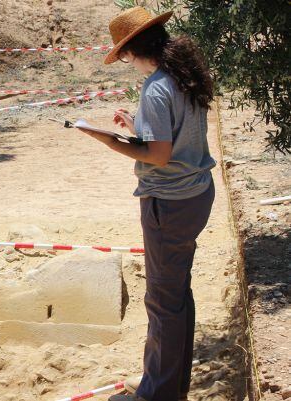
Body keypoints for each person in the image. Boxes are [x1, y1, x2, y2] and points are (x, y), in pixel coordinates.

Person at [78, 6, 217, 401]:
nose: (126, 62)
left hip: (169, 202)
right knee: (175, 295)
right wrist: (137, 128)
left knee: (162, 299)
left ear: (131, 50)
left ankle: (159, 392)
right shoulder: (183, 75)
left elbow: (157, 156)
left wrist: (107, 139)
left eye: (123, 55)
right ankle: (167, 382)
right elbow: (176, 140)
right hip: (195, 194)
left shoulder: (156, 86)